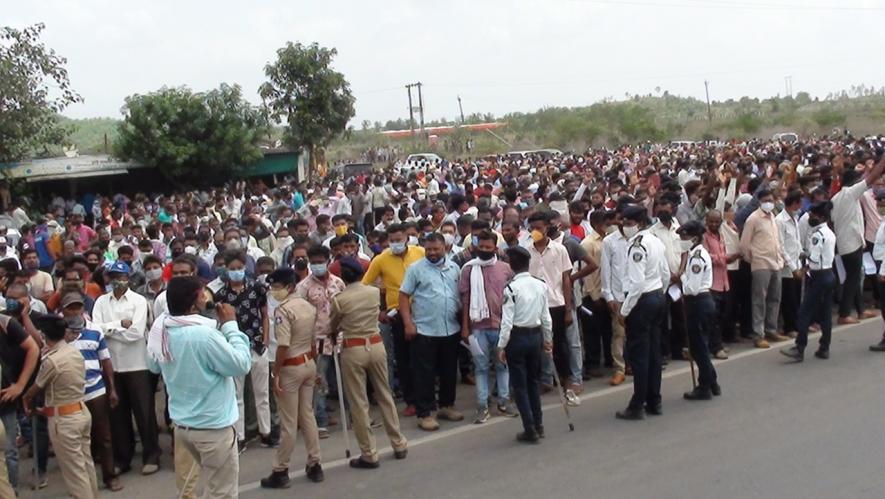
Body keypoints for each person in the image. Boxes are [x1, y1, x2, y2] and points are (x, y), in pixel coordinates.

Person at [147, 276, 252, 499]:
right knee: (221, 492)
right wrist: (231, 325)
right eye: (203, 294)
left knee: (211, 488)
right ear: (194, 303)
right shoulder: (203, 335)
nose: (207, 297)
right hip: (212, 428)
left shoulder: (162, 330)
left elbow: (153, 366)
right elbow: (241, 364)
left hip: (183, 426)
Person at [330, 257, 408, 468]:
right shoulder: (373, 292)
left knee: (359, 402)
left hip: (353, 348)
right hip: (375, 344)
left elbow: (333, 325)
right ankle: (398, 443)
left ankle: (369, 453)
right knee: (385, 395)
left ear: (343, 276)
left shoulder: (340, 299)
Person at [91, 260, 159, 475]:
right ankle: (123, 458)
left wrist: (110, 330)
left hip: (137, 364)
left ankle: (151, 456)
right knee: (117, 416)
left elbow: (136, 333)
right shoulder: (101, 302)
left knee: (144, 413)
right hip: (112, 366)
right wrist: (120, 325)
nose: (117, 281)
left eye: (121, 277)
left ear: (128, 278)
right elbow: (96, 330)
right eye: (113, 277)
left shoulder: (139, 301)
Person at [260, 268, 324, 489]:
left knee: (288, 422)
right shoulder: (307, 306)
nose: (273, 291)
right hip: (308, 362)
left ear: (288, 287)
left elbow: (283, 346)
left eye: (276, 287)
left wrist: (276, 373)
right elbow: (314, 341)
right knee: (307, 415)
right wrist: (315, 368)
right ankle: (315, 463)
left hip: (290, 366)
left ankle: (280, 470)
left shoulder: (283, 310)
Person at [23, 315, 98, 498]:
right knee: (85, 464)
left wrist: (26, 399)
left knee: (75, 472)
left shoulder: (52, 360)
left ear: (44, 335)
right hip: (80, 411)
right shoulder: (74, 352)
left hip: (64, 420)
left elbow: (36, 389)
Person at [399, 233, 463, 431]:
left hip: (450, 328)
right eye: (429, 250)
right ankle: (424, 413)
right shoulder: (415, 269)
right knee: (424, 374)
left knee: (449, 371)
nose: (432, 253)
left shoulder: (455, 268)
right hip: (425, 330)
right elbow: (403, 296)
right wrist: (408, 324)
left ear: (445, 247)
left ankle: (446, 405)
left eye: (436, 249)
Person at [362, 224, 425, 417]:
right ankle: (411, 401)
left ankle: (426, 398)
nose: (396, 243)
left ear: (407, 237)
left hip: (423, 310)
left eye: (399, 239)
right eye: (392, 241)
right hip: (397, 313)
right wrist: (379, 310)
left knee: (424, 358)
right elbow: (365, 285)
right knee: (404, 359)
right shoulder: (381, 259)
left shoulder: (420, 253)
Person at [62, 292, 123, 491]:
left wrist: (112, 389)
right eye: (70, 308)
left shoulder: (95, 330)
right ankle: (83, 483)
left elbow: (105, 361)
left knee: (104, 435)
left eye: (78, 307)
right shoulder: (58, 332)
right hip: (71, 393)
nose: (75, 311)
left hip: (95, 390)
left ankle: (110, 476)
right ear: (63, 311)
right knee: (78, 441)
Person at [615, 206, 669, 421]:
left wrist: (624, 310)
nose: (625, 227)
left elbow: (636, 283)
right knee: (654, 353)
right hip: (656, 295)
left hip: (642, 300)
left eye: (628, 223)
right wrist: (659, 294)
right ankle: (654, 400)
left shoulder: (637, 245)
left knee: (639, 356)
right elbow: (665, 274)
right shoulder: (655, 240)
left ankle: (638, 404)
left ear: (640, 222)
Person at [214, 250, 271, 448]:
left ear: (245, 267)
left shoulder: (257, 288)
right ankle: (240, 437)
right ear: (226, 270)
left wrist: (265, 340)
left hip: (257, 346)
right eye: (232, 269)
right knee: (236, 396)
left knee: (262, 394)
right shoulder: (221, 295)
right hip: (234, 348)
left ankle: (266, 431)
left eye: (239, 268)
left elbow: (264, 315)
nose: (236, 272)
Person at [459, 229, 516, 424]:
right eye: (481, 247)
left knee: (503, 365)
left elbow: (512, 299)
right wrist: (465, 328)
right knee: (481, 368)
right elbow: (465, 301)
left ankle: (503, 402)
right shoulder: (468, 270)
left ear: (495, 248)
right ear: (475, 247)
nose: (484, 250)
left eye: (488, 247)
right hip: (478, 328)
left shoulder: (505, 269)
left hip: (501, 326)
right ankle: (482, 406)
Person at [497, 246, 552, 443]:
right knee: (533, 382)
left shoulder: (511, 288)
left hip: (517, 338)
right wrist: (548, 339)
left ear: (512, 265)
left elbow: (507, 322)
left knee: (520, 386)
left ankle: (529, 428)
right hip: (535, 336)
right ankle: (539, 424)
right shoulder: (540, 285)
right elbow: (546, 317)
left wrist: (501, 345)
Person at [294, 244, 345, 440]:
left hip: (339, 337)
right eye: (313, 263)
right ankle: (321, 421)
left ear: (328, 261)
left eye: (320, 262)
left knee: (347, 379)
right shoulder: (303, 287)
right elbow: (299, 314)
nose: (317, 266)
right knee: (319, 382)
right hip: (317, 341)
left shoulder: (338, 283)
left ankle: (354, 416)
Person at [524, 211, 574, 400]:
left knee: (560, 344)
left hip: (556, 303)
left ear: (547, 228)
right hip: (535, 306)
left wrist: (568, 308)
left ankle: (566, 379)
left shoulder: (560, 250)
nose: (537, 231)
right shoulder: (527, 251)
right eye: (533, 228)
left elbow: (566, 279)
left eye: (540, 227)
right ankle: (540, 381)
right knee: (536, 345)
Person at [781, 202, 837, 361]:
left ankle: (799, 347)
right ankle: (824, 347)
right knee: (825, 313)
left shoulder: (818, 235)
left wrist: (803, 259)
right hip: (829, 274)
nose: (810, 217)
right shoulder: (830, 233)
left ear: (820, 217)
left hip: (819, 276)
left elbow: (814, 258)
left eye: (813, 215)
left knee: (804, 312)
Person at [831, 158, 885, 324]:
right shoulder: (849, 193)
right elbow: (872, 176)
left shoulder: (836, 198)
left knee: (854, 277)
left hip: (845, 242)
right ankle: (844, 314)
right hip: (851, 243)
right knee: (852, 279)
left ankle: (860, 310)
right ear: (853, 183)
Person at [677, 220, 721, 400]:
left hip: (698, 301)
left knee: (698, 348)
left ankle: (704, 387)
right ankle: (712, 381)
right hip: (701, 302)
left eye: (684, 236)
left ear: (694, 238)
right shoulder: (693, 253)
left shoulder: (696, 257)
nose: (682, 239)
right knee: (700, 345)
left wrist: (681, 275)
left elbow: (691, 288)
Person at [739, 189, 787, 349]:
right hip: (760, 263)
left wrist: (780, 257)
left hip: (775, 262)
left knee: (775, 297)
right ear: (759, 201)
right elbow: (744, 244)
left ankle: (771, 329)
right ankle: (758, 334)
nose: (769, 203)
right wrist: (753, 259)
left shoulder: (773, 217)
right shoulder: (753, 219)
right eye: (766, 200)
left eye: (771, 200)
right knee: (759, 300)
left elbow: (776, 240)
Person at [776, 190, 804, 338]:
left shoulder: (795, 217)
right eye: (800, 203)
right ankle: (789, 327)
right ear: (794, 203)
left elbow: (796, 241)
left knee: (797, 296)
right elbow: (781, 247)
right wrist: (793, 267)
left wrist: (801, 257)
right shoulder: (780, 221)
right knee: (788, 298)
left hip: (797, 262)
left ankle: (797, 324)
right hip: (786, 268)